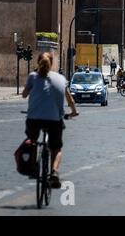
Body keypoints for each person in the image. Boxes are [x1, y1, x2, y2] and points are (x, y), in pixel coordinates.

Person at [22, 52, 78, 188]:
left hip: (34, 119)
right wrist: (74, 112)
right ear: (52, 63)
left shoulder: (33, 76)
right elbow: (69, 99)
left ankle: (33, 165)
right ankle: (54, 172)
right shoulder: (60, 78)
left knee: (32, 140)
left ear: (38, 62)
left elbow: (24, 94)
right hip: (54, 120)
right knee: (56, 148)